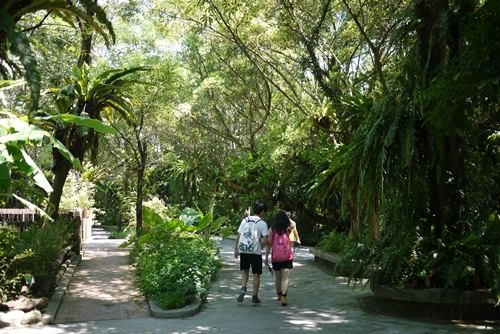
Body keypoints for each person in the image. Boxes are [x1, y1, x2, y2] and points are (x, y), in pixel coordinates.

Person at [234, 200, 269, 305]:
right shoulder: (262, 223)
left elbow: (238, 237)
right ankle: (254, 297)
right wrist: (263, 244)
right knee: (256, 274)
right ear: (262, 211)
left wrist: (236, 250)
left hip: (244, 250)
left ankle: (243, 288)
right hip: (255, 252)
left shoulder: (245, 220)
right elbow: (266, 240)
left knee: (245, 270)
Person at [265, 210, 294, 306]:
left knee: (278, 278)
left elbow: (269, 244)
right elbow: (293, 223)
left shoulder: (272, 229)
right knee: (286, 278)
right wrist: (287, 218)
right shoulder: (289, 228)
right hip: (287, 256)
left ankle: (279, 294)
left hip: (275, 257)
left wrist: (266, 257)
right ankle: (284, 297)